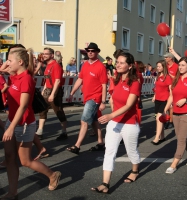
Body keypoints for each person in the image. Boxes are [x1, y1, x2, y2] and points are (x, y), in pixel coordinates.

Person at [0, 48, 61, 199]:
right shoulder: (15, 76)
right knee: (9, 157)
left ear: (20, 62)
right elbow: (3, 71)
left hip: (24, 124)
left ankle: (52, 175)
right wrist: (5, 67)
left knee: (25, 161)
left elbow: (23, 106)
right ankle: (13, 192)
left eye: (10, 60)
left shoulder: (26, 79)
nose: (7, 63)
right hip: (12, 121)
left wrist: (11, 128)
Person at [91, 52, 141, 193]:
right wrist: (111, 113)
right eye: (117, 62)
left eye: (121, 62)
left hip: (130, 124)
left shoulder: (135, 82)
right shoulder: (117, 80)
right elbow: (114, 99)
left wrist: (110, 115)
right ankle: (105, 184)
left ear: (130, 66)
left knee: (131, 152)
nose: (117, 64)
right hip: (114, 123)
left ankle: (135, 171)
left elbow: (129, 105)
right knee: (109, 152)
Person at [66, 42, 107, 154]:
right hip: (87, 97)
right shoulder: (85, 65)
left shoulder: (101, 67)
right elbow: (80, 79)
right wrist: (72, 92)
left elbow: (104, 85)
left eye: (92, 51)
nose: (90, 52)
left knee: (84, 121)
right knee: (94, 122)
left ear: (97, 52)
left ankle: (77, 146)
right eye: (88, 51)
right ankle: (100, 143)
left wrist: (103, 101)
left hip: (95, 98)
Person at [163, 57, 187, 174]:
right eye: (179, 65)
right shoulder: (176, 79)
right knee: (180, 137)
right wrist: (166, 108)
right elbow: (172, 96)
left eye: (183, 65)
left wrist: (186, 100)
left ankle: (174, 164)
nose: (180, 67)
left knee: (181, 139)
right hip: (176, 113)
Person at [36, 47, 68, 141]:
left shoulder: (56, 65)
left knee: (58, 111)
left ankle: (64, 132)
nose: (44, 55)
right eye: (43, 53)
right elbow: (47, 80)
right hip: (48, 90)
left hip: (55, 90)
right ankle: (40, 131)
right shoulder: (47, 65)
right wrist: (44, 90)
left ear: (52, 55)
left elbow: (57, 81)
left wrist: (52, 94)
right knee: (42, 110)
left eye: (46, 53)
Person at [151, 60, 172, 145]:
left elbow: (171, 90)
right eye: (157, 66)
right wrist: (154, 96)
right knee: (159, 119)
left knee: (158, 118)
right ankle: (162, 136)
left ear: (164, 67)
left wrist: (170, 101)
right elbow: (157, 88)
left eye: (159, 66)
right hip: (158, 100)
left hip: (164, 100)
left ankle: (156, 138)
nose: (158, 68)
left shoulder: (167, 77)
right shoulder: (158, 76)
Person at [164, 52, 178, 130]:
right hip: (165, 88)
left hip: (173, 88)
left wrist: (169, 75)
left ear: (170, 58)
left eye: (166, 57)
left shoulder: (176, 66)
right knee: (166, 105)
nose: (165, 59)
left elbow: (177, 78)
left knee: (171, 106)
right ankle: (167, 119)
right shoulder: (165, 66)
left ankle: (171, 121)